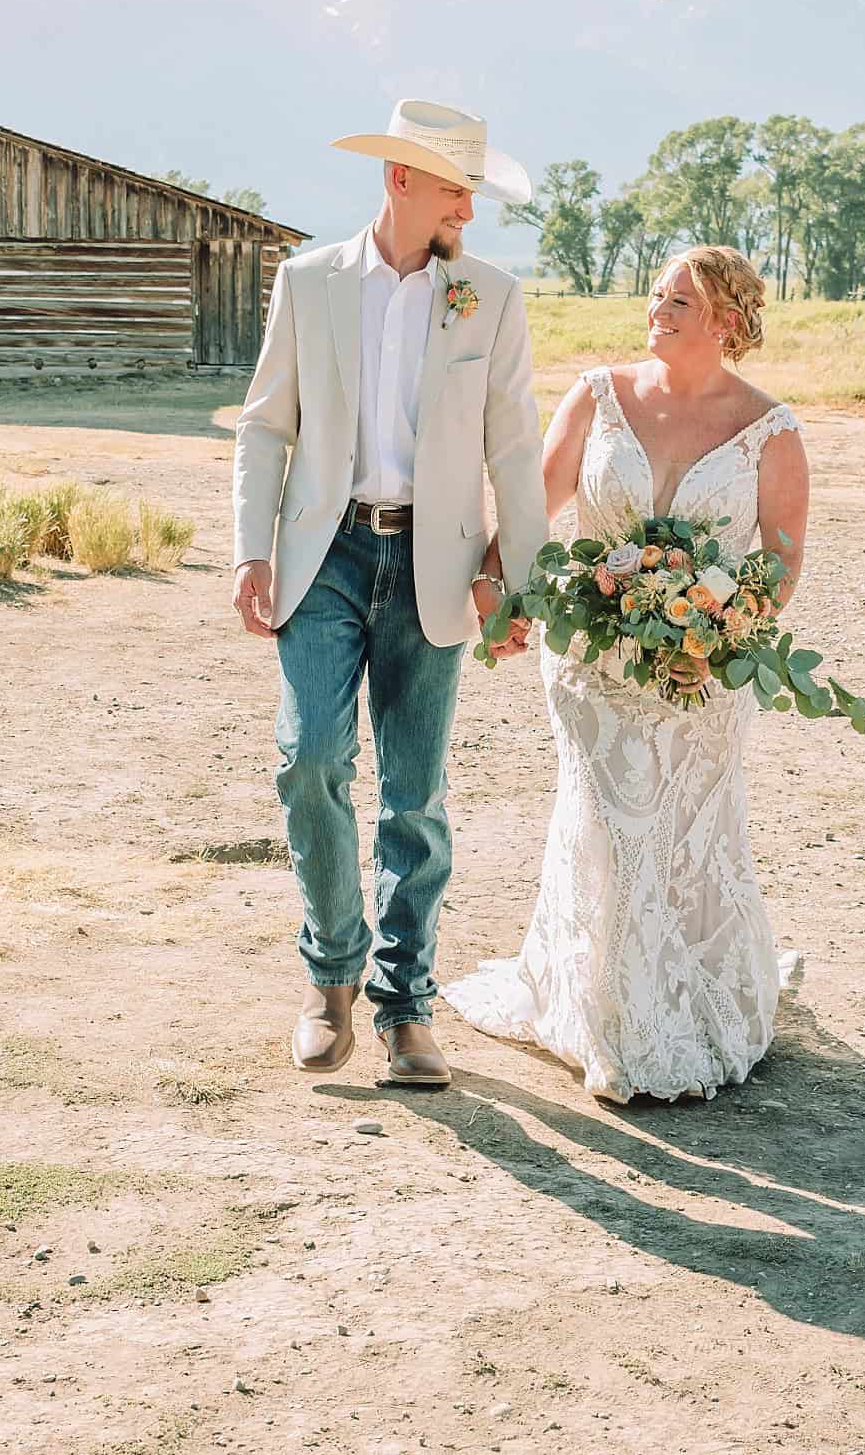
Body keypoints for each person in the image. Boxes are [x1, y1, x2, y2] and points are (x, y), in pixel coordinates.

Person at [444, 245, 811, 1103]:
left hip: (703, 674)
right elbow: (535, 506)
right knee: (609, 823)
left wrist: (723, 625)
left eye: (680, 299)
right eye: (656, 293)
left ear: (727, 318)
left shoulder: (770, 429)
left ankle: (697, 993)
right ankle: (615, 1015)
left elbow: (781, 564)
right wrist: (500, 596)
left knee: (690, 827)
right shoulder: (598, 394)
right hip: (591, 662)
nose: (659, 308)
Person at [232, 99, 547, 1087]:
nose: (471, 206)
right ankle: (329, 981)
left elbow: (512, 442)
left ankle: (406, 1008)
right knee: (309, 761)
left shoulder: (488, 297)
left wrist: (518, 576)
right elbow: (266, 426)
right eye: (458, 185)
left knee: (414, 795)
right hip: (321, 557)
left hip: (437, 566)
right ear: (400, 180)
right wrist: (251, 548)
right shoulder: (308, 282)